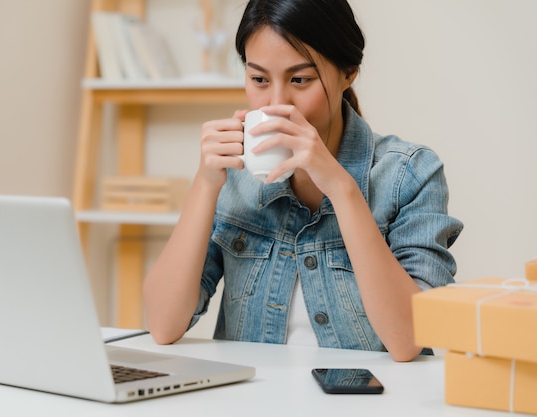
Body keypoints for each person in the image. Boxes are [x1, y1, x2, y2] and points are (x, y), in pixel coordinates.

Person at [143, 0, 463, 362]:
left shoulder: (409, 174)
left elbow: (409, 341)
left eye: (300, 79)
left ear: (348, 73)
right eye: (259, 79)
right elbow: (163, 324)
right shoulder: (234, 176)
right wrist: (204, 184)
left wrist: (342, 189)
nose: (277, 103)